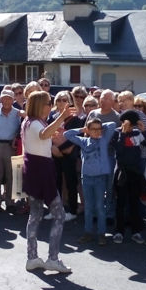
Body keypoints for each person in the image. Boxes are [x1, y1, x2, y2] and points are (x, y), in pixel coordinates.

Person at [22, 90, 73, 273]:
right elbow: (43, 135)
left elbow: (44, 137)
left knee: (35, 215)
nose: (50, 106)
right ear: (39, 105)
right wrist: (62, 117)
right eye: (48, 103)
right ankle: (52, 258)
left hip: (35, 170)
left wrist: (57, 127)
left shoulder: (32, 122)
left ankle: (33, 257)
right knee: (58, 215)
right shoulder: (34, 123)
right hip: (41, 171)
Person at [64, 119, 116, 246]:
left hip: (100, 178)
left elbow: (112, 124)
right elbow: (67, 134)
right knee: (88, 206)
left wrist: (100, 126)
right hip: (86, 178)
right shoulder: (83, 141)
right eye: (93, 129)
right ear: (88, 130)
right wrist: (83, 129)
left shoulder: (104, 140)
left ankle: (101, 233)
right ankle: (88, 232)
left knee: (99, 206)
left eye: (99, 129)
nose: (97, 131)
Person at [112, 110, 146, 244]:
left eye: (132, 124)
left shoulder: (137, 133)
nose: (130, 126)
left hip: (134, 172)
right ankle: (119, 231)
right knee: (120, 203)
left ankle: (136, 231)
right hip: (121, 173)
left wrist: (143, 131)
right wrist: (123, 134)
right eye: (128, 124)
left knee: (134, 203)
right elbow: (118, 150)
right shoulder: (117, 133)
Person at [46, 91, 84, 221]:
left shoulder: (76, 119)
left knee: (70, 182)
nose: (61, 102)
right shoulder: (52, 118)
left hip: (69, 155)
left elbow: (75, 137)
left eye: (64, 100)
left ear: (69, 102)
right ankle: (55, 210)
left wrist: (60, 149)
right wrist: (52, 147)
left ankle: (72, 211)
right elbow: (47, 134)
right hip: (54, 154)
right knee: (55, 183)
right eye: (58, 100)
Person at [86, 89, 121, 222]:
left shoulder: (116, 117)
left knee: (109, 186)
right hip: (93, 156)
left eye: (107, 98)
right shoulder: (93, 114)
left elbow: (118, 137)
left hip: (109, 156)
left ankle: (109, 213)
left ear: (112, 101)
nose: (103, 100)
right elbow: (86, 132)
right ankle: (96, 213)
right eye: (102, 98)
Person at [0, 90, 21, 214]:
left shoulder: (18, 114)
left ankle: (10, 203)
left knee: (11, 176)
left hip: (11, 147)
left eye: (9, 98)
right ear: (0, 100)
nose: (6, 101)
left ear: (13, 100)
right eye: (4, 98)